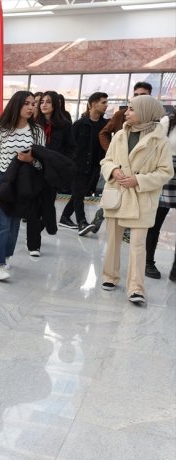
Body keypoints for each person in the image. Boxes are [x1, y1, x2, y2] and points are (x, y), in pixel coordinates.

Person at [99, 95, 173, 305]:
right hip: (117, 193)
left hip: (141, 198)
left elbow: (166, 172)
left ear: (146, 112)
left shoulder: (160, 141)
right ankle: (109, 276)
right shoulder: (120, 135)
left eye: (132, 109)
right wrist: (113, 170)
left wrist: (138, 180)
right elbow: (107, 160)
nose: (127, 112)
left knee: (138, 245)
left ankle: (136, 288)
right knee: (113, 239)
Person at [0, 91, 45, 281]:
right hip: (3, 181)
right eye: (26, 103)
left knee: (15, 223)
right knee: (2, 224)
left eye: (33, 104)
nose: (31, 107)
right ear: (16, 105)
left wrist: (31, 159)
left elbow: (43, 161)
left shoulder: (37, 131)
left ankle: (6, 256)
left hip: (24, 182)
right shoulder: (2, 131)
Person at [92, 82, 154, 237]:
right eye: (136, 94)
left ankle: (126, 229)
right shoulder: (122, 115)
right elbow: (103, 133)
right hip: (119, 168)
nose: (139, 98)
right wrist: (111, 152)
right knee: (115, 198)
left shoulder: (154, 119)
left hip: (141, 172)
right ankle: (101, 217)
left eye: (143, 95)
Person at [27, 90, 76, 256]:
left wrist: (60, 163)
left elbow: (71, 149)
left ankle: (46, 225)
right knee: (33, 208)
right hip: (34, 169)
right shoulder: (33, 124)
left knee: (47, 206)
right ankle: (34, 245)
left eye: (48, 102)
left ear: (55, 104)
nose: (44, 105)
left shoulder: (65, 125)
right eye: (42, 102)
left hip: (53, 173)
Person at [59, 92, 108, 236]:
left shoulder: (105, 126)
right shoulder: (79, 125)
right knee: (79, 194)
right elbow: (68, 145)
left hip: (94, 168)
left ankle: (65, 217)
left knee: (79, 194)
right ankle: (82, 222)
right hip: (77, 166)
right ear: (93, 104)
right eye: (103, 102)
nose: (106, 105)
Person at [144, 112, 176, 280]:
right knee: (155, 221)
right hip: (166, 170)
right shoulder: (168, 121)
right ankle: (148, 262)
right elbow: (153, 146)